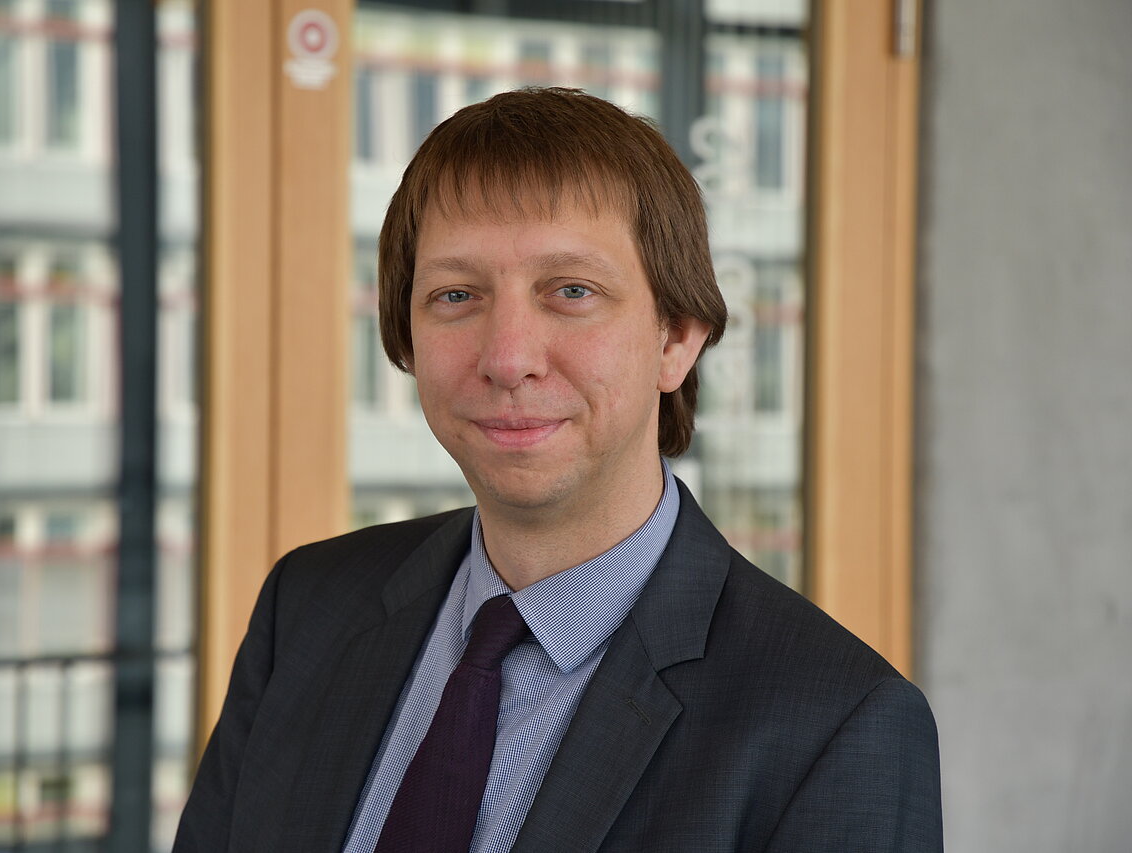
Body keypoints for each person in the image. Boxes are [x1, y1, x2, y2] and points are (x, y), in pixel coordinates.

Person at [173, 87, 942, 853]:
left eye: (572, 291)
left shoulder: (837, 728)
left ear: (676, 339)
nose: (508, 358)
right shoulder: (306, 610)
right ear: (405, 336)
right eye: (456, 294)